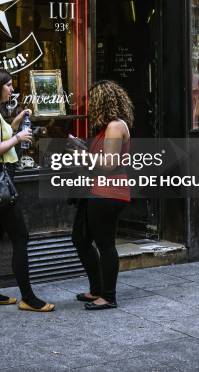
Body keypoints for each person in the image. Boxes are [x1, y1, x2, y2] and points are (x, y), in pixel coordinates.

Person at [0, 68, 55, 312]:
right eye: (8, 85)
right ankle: (28, 298)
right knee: (20, 236)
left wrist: (16, 122)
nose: (12, 89)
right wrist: (19, 138)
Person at [72, 80, 134, 311]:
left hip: (109, 191)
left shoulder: (116, 126)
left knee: (105, 244)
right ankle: (96, 289)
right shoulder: (105, 128)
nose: (88, 106)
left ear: (102, 102)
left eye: (91, 101)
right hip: (96, 190)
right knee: (80, 238)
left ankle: (108, 296)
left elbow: (109, 164)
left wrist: (83, 154)